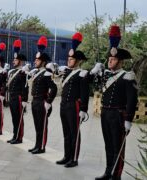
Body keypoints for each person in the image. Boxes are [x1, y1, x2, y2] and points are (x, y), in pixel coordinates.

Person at [90, 25, 138, 180]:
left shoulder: (127, 76)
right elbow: (90, 83)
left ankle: (116, 176)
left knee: (118, 147)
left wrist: (128, 120)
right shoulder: (105, 75)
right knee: (108, 145)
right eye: (109, 59)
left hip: (118, 115)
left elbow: (132, 100)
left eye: (113, 59)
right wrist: (94, 70)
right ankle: (108, 172)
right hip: (106, 113)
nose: (110, 61)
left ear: (120, 61)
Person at [55, 32, 90, 168]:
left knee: (74, 132)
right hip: (64, 105)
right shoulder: (67, 72)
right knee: (66, 132)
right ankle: (66, 155)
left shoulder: (82, 74)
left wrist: (83, 109)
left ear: (78, 61)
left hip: (74, 105)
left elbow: (85, 93)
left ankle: (74, 158)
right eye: (68, 58)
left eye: (71, 59)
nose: (68, 60)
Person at [27, 36, 57, 154]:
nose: (35, 61)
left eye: (37, 60)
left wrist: (48, 102)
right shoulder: (37, 72)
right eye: (35, 60)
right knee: (37, 125)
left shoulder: (47, 73)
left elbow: (53, 88)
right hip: (35, 101)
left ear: (43, 62)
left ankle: (42, 147)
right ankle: (37, 145)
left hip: (41, 102)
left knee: (42, 125)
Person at [6, 39, 29, 144]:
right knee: (14, 118)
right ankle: (14, 135)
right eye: (13, 60)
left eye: (15, 60)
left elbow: (25, 86)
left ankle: (19, 137)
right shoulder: (13, 71)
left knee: (18, 118)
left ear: (19, 61)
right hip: (12, 97)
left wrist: (24, 99)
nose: (13, 61)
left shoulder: (22, 72)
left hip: (19, 98)